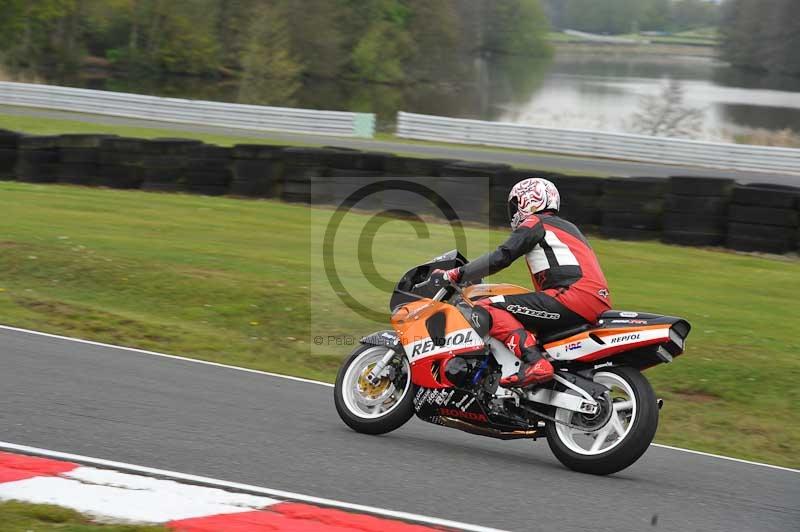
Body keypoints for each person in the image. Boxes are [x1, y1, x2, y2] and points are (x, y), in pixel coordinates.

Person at [430, 178, 612, 388]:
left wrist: (457, 274)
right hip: (593, 302)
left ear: (528, 200)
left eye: (515, 204)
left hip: (572, 296)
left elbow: (502, 256)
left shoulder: (536, 222)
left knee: (486, 306)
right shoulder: (569, 230)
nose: (514, 211)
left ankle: (535, 362)